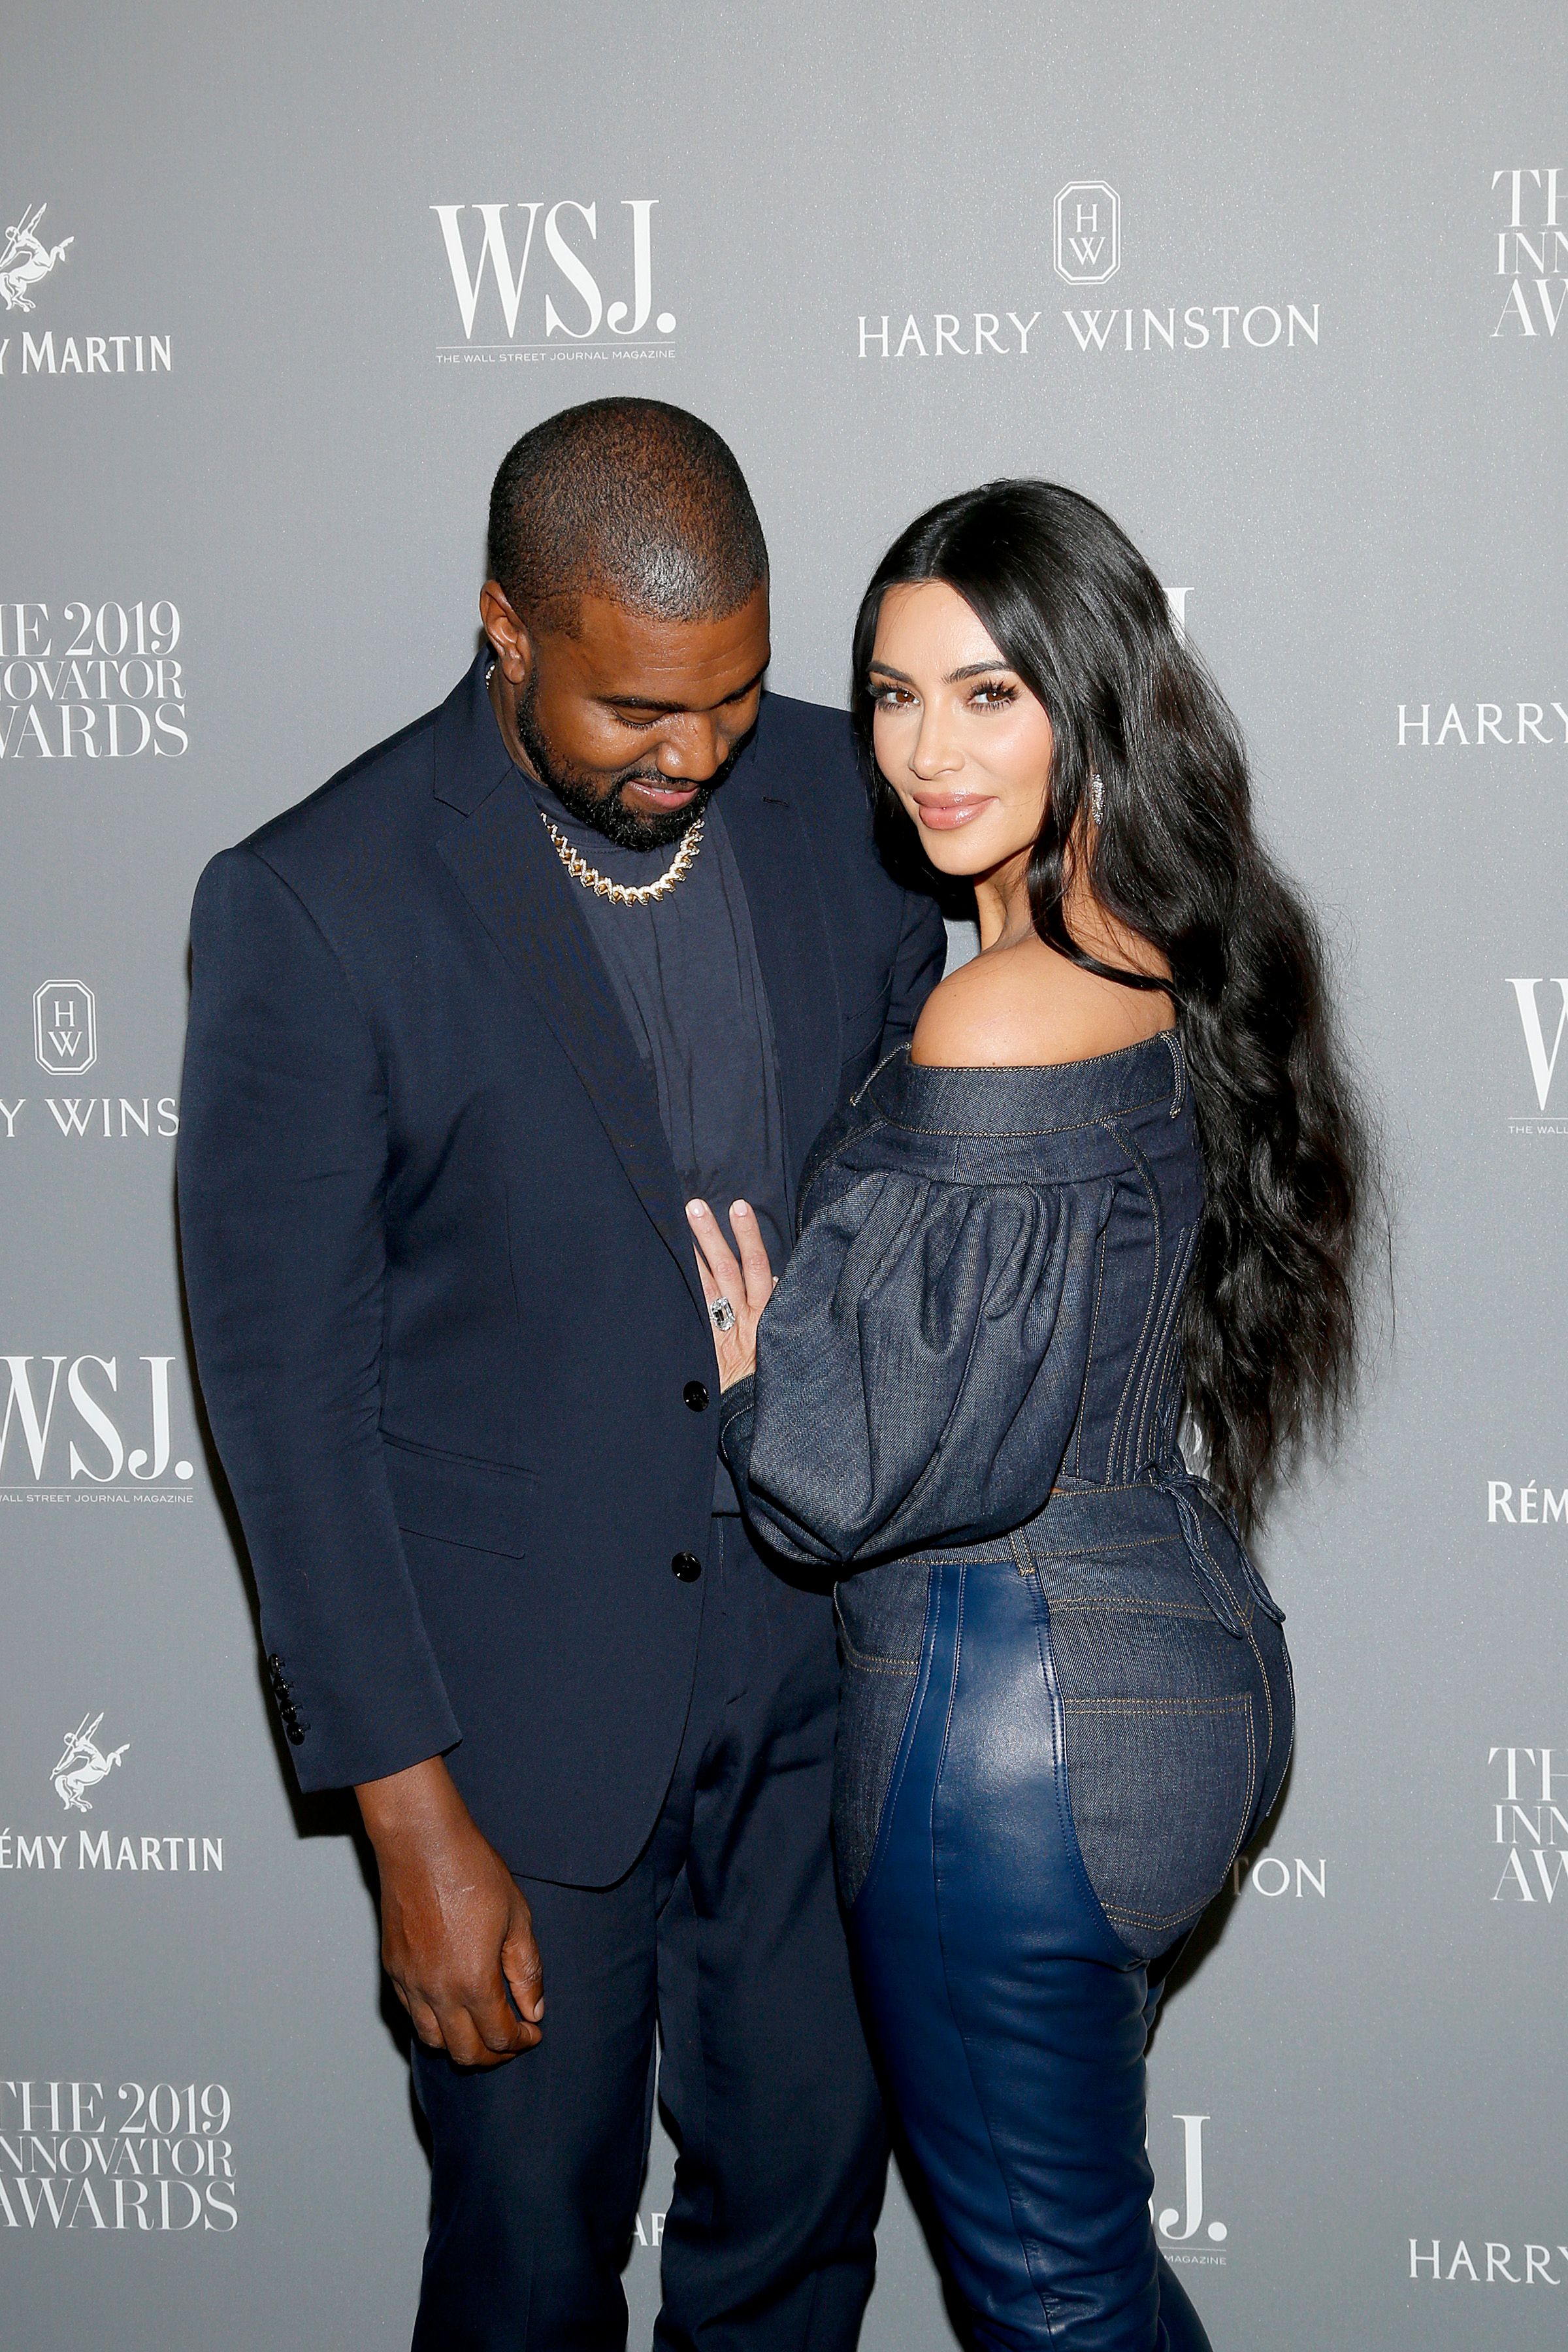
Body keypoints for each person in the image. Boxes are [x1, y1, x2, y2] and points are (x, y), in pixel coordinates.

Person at [177, 397, 946, 2349]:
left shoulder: (852, 811)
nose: (694, 757)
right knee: (525, 2272)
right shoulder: (318, 904)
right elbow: (284, 1407)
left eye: (734, 701)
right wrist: (411, 1825)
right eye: (636, 717)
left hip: (815, 1685)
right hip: (512, 1741)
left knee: (800, 2232)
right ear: (508, 631)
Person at [688, 481, 1373, 2352]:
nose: (925, 749)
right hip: (1174, 1666)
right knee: (1084, 2271)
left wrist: (764, 1377)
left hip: (1006, 1734)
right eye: (894, 696)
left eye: (990, 696)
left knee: (1049, 2305)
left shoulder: (996, 1014)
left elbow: (840, 1473)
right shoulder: (1146, 947)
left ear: (1092, 700)